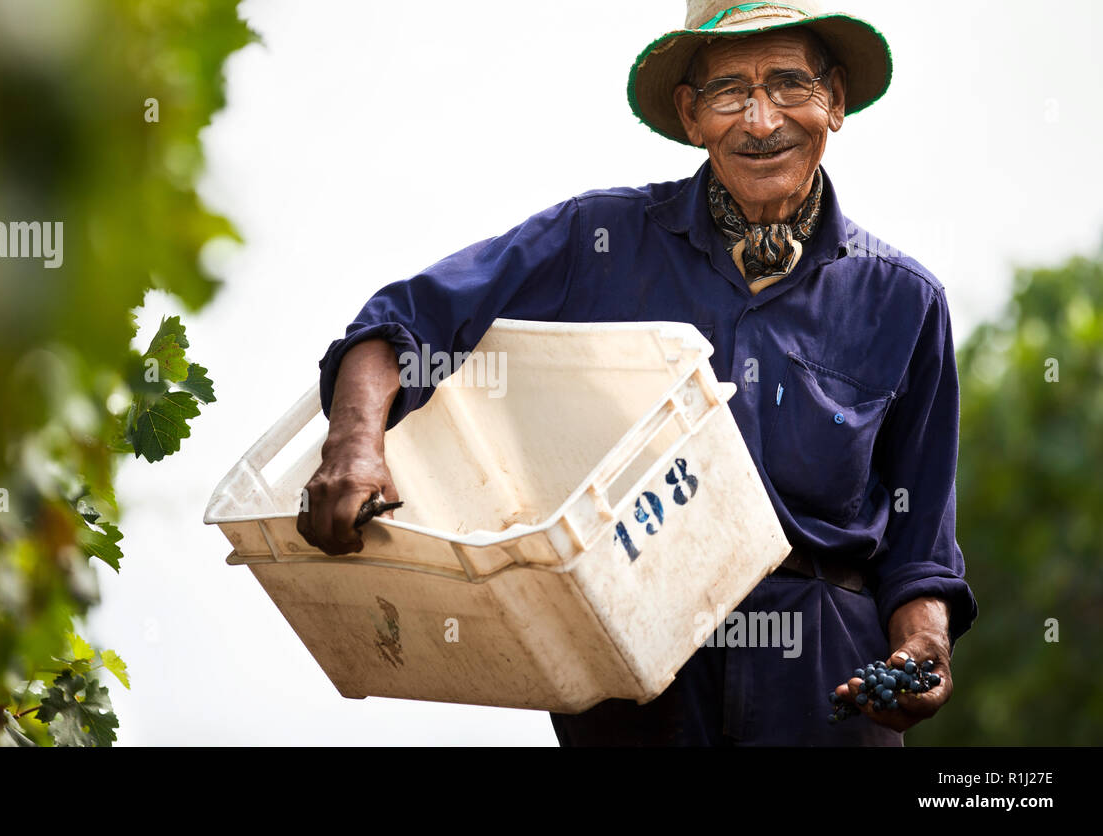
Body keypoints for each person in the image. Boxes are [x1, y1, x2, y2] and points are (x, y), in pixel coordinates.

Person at [296, 0, 977, 745]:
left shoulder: (904, 303)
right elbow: (398, 324)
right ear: (690, 115)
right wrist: (353, 446)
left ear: (834, 100)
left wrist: (922, 649)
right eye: (728, 92)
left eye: (789, 83)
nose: (759, 120)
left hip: (823, 686)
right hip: (633, 668)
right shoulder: (597, 242)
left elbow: (921, 552)